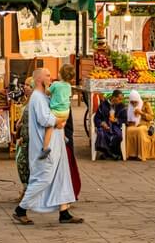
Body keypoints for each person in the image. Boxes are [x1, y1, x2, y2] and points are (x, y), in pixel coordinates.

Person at [13, 68, 83, 225]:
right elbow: (45, 119)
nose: (51, 79)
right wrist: (58, 121)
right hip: (45, 147)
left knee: (61, 176)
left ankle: (64, 212)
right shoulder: (37, 98)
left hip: (56, 143)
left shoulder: (43, 96)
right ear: (39, 80)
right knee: (43, 178)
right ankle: (21, 209)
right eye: (47, 76)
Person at [40, 65, 74, 160]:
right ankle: (64, 137)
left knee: (49, 128)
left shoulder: (56, 84)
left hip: (56, 111)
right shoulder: (68, 86)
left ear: (61, 75)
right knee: (61, 124)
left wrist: (47, 85)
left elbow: (47, 93)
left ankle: (45, 148)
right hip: (66, 112)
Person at [124, 90, 155, 161]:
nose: (133, 104)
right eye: (132, 102)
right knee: (128, 130)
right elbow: (127, 119)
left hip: (144, 125)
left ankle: (141, 155)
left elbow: (151, 117)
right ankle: (131, 154)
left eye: (135, 102)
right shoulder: (129, 107)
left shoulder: (145, 104)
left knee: (140, 130)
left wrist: (141, 113)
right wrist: (129, 122)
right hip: (133, 125)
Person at [93, 89, 124, 160]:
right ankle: (109, 153)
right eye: (119, 99)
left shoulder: (121, 106)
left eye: (121, 99)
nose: (120, 101)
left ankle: (111, 153)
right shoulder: (103, 105)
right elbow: (97, 118)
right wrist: (102, 123)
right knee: (102, 134)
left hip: (115, 126)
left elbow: (124, 118)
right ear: (113, 97)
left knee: (118, 135)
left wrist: (117, 120)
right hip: (105, 127)